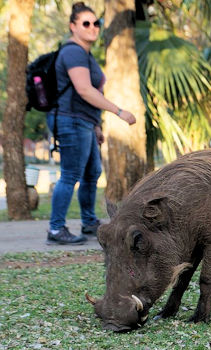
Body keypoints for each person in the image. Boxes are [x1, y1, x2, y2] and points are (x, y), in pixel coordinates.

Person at [46, 2, 136, 245]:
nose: (93, 27)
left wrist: (96, 125)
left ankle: (88, 222)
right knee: (70, 175)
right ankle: (55, 229)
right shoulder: (73, 52)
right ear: (73, 26)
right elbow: (84, 90)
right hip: (72, 121)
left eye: (96, 23)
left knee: (91, 173)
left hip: (84, 122)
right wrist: (119, 111)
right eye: (86, 23)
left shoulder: (85, 54)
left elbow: (85, 96)